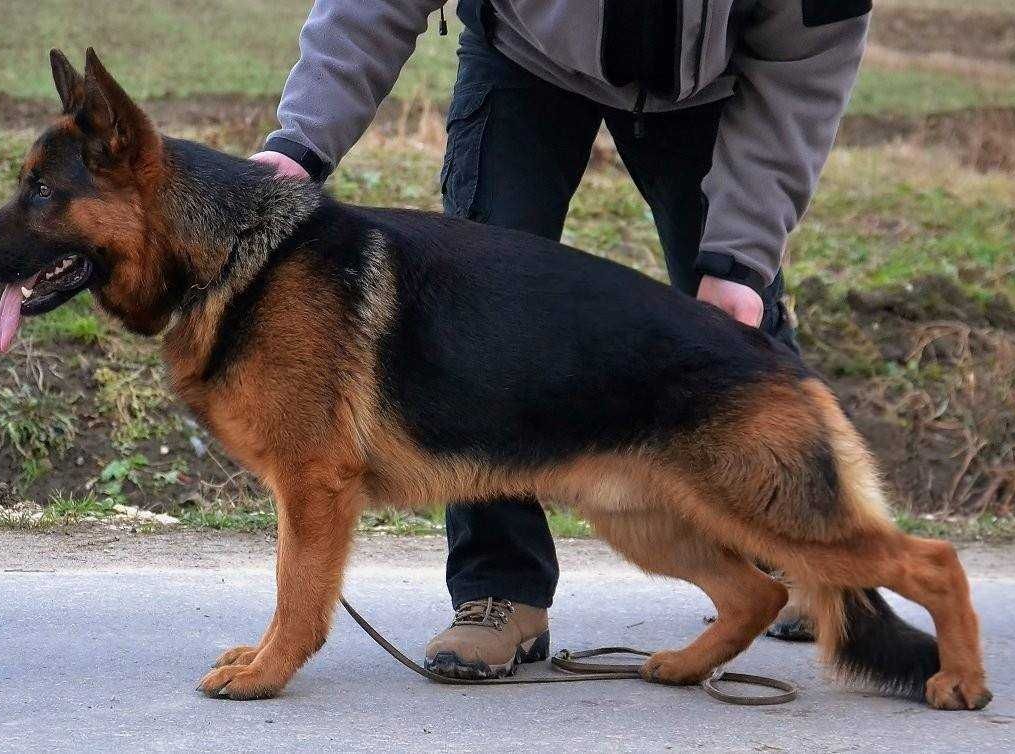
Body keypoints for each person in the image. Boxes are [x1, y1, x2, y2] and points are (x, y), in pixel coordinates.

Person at [252, 0, 871, 678]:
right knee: (476, 329)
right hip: (527, 60)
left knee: (735, 318)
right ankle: (501, 590)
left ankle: (822, 559)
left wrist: (742, 257)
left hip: (717, 86)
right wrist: (302, 143)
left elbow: (804, 61)